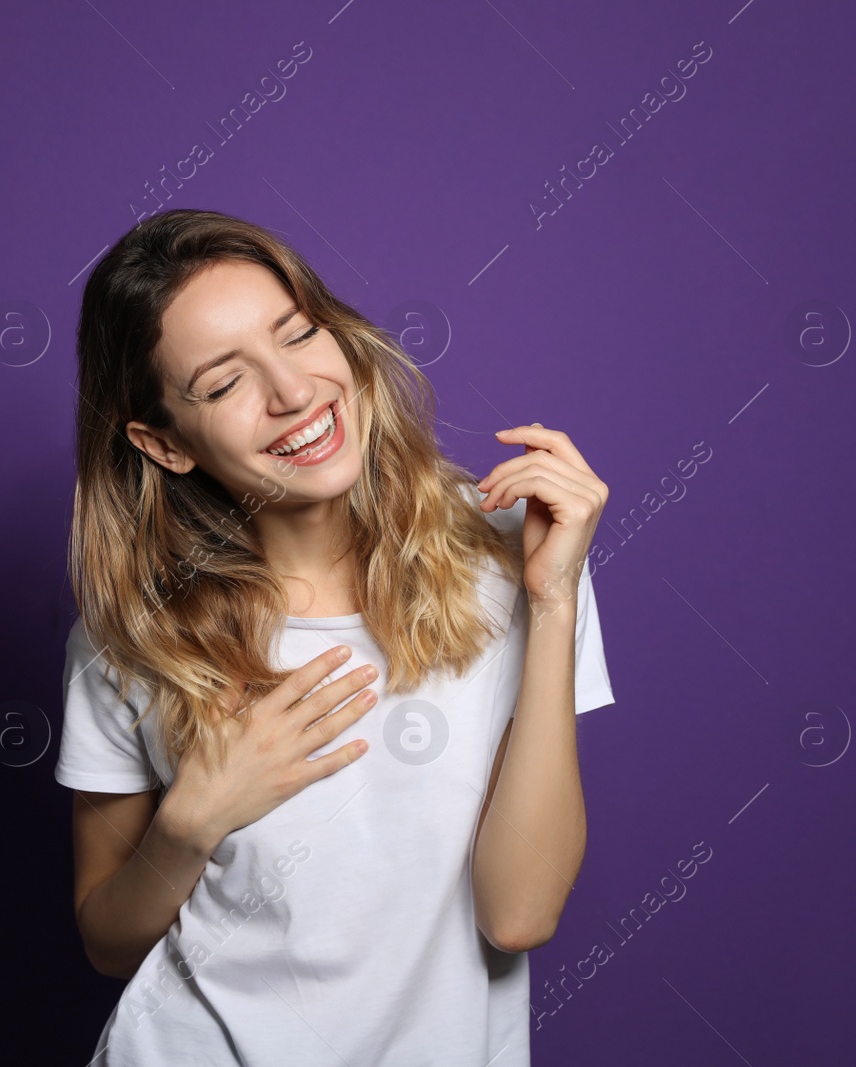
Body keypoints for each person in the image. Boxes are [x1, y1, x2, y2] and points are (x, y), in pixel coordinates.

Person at [54, 208, 615, 1065]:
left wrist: (554, 601)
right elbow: (108, 939)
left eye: (297, 333)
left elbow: (519, 913)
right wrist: (191, 820)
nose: (293, 393)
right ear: (163, 444)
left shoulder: (516, 557)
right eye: (223, 382)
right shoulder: (131, 632)